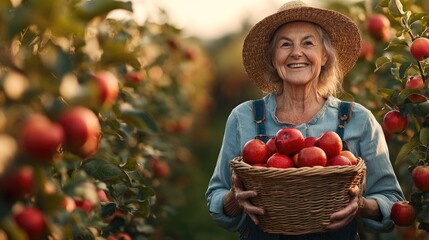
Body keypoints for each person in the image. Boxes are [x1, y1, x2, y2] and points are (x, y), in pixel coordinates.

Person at [205, 1, 405, 239]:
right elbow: (216, 196)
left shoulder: (357, 120)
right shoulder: (244, 117)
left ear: (324, 57)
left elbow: (392, 201)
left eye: (308, 43)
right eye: (285, 44)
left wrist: (361, 206)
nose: (296, 53)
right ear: (272, 58)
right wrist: (233, 200)